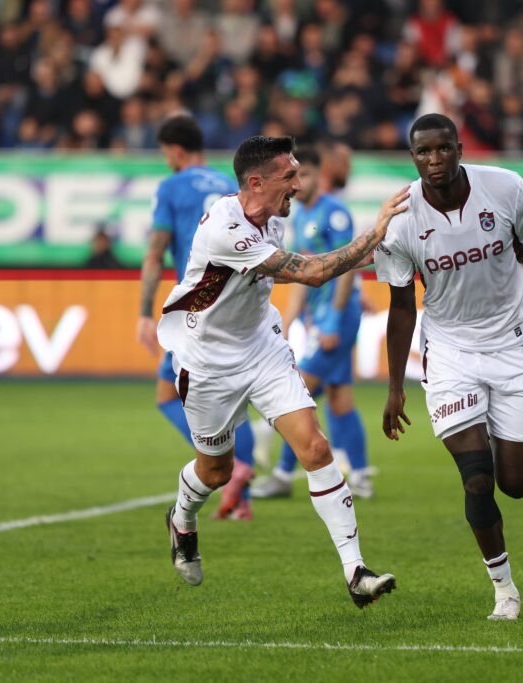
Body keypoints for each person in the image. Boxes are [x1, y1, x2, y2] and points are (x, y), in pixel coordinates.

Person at [375, 114, 523, 621]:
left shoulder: (505, 188)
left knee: (515, 484)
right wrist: (395, 386)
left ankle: (488, 429)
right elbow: (401, 307)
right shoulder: (399, 220)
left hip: (511, 349)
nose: (435, 160)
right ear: (413, 157)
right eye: (424, 152)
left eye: (444, 149)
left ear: (460, 148)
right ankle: (504, 590)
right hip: (448, 356)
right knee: (477, 480)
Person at [157, 134, 407, 606]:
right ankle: (182, 518)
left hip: (261, 350)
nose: (298, 182)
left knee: (315, 446)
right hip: (207, 361)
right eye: (289, 175)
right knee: (215, 472)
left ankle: (356, 571)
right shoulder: (227, 228)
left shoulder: (272, 218)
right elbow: (310, 272)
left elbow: (289, 275)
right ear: (256, 182)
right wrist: (376, 235)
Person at [136, 114, 256, 521]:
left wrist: (143, 312)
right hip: (238, 297)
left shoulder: (171, 186)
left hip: (194, 301)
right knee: (238, 399)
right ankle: (243, 501)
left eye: (166, 152)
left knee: (166, 394)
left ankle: (232, 464)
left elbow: (155, 252)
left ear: (175, 150)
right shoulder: (229, 182)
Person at [251, 146, 372, 499]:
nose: (300, 182)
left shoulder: (334, 212)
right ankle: (361, 474)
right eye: (294, 176)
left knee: (298, 393)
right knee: (340, 399)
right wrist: (287, 321)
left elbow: (347, 266)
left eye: (306, 174)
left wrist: (334, 320)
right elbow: (302, 274)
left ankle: (279, 465)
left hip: (339, 317)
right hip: (319, 319)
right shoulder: (299, 216)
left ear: (322, 174)